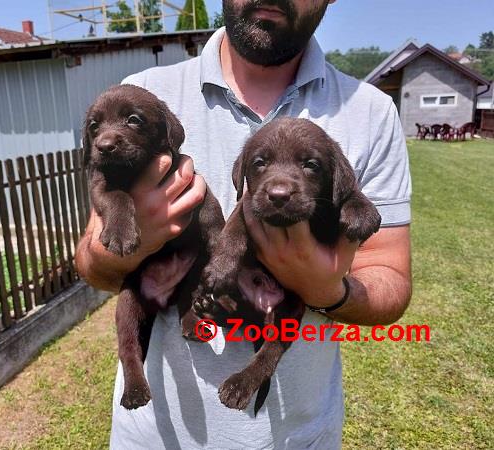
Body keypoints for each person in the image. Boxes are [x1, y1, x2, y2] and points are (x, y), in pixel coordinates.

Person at [75, 0, 412, 448]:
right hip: (157, 437)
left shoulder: (372, 112)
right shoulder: (144, 95)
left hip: (298, 435)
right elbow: (91, 264)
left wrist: (326, 289)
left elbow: (390, 279)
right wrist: (137, 243)